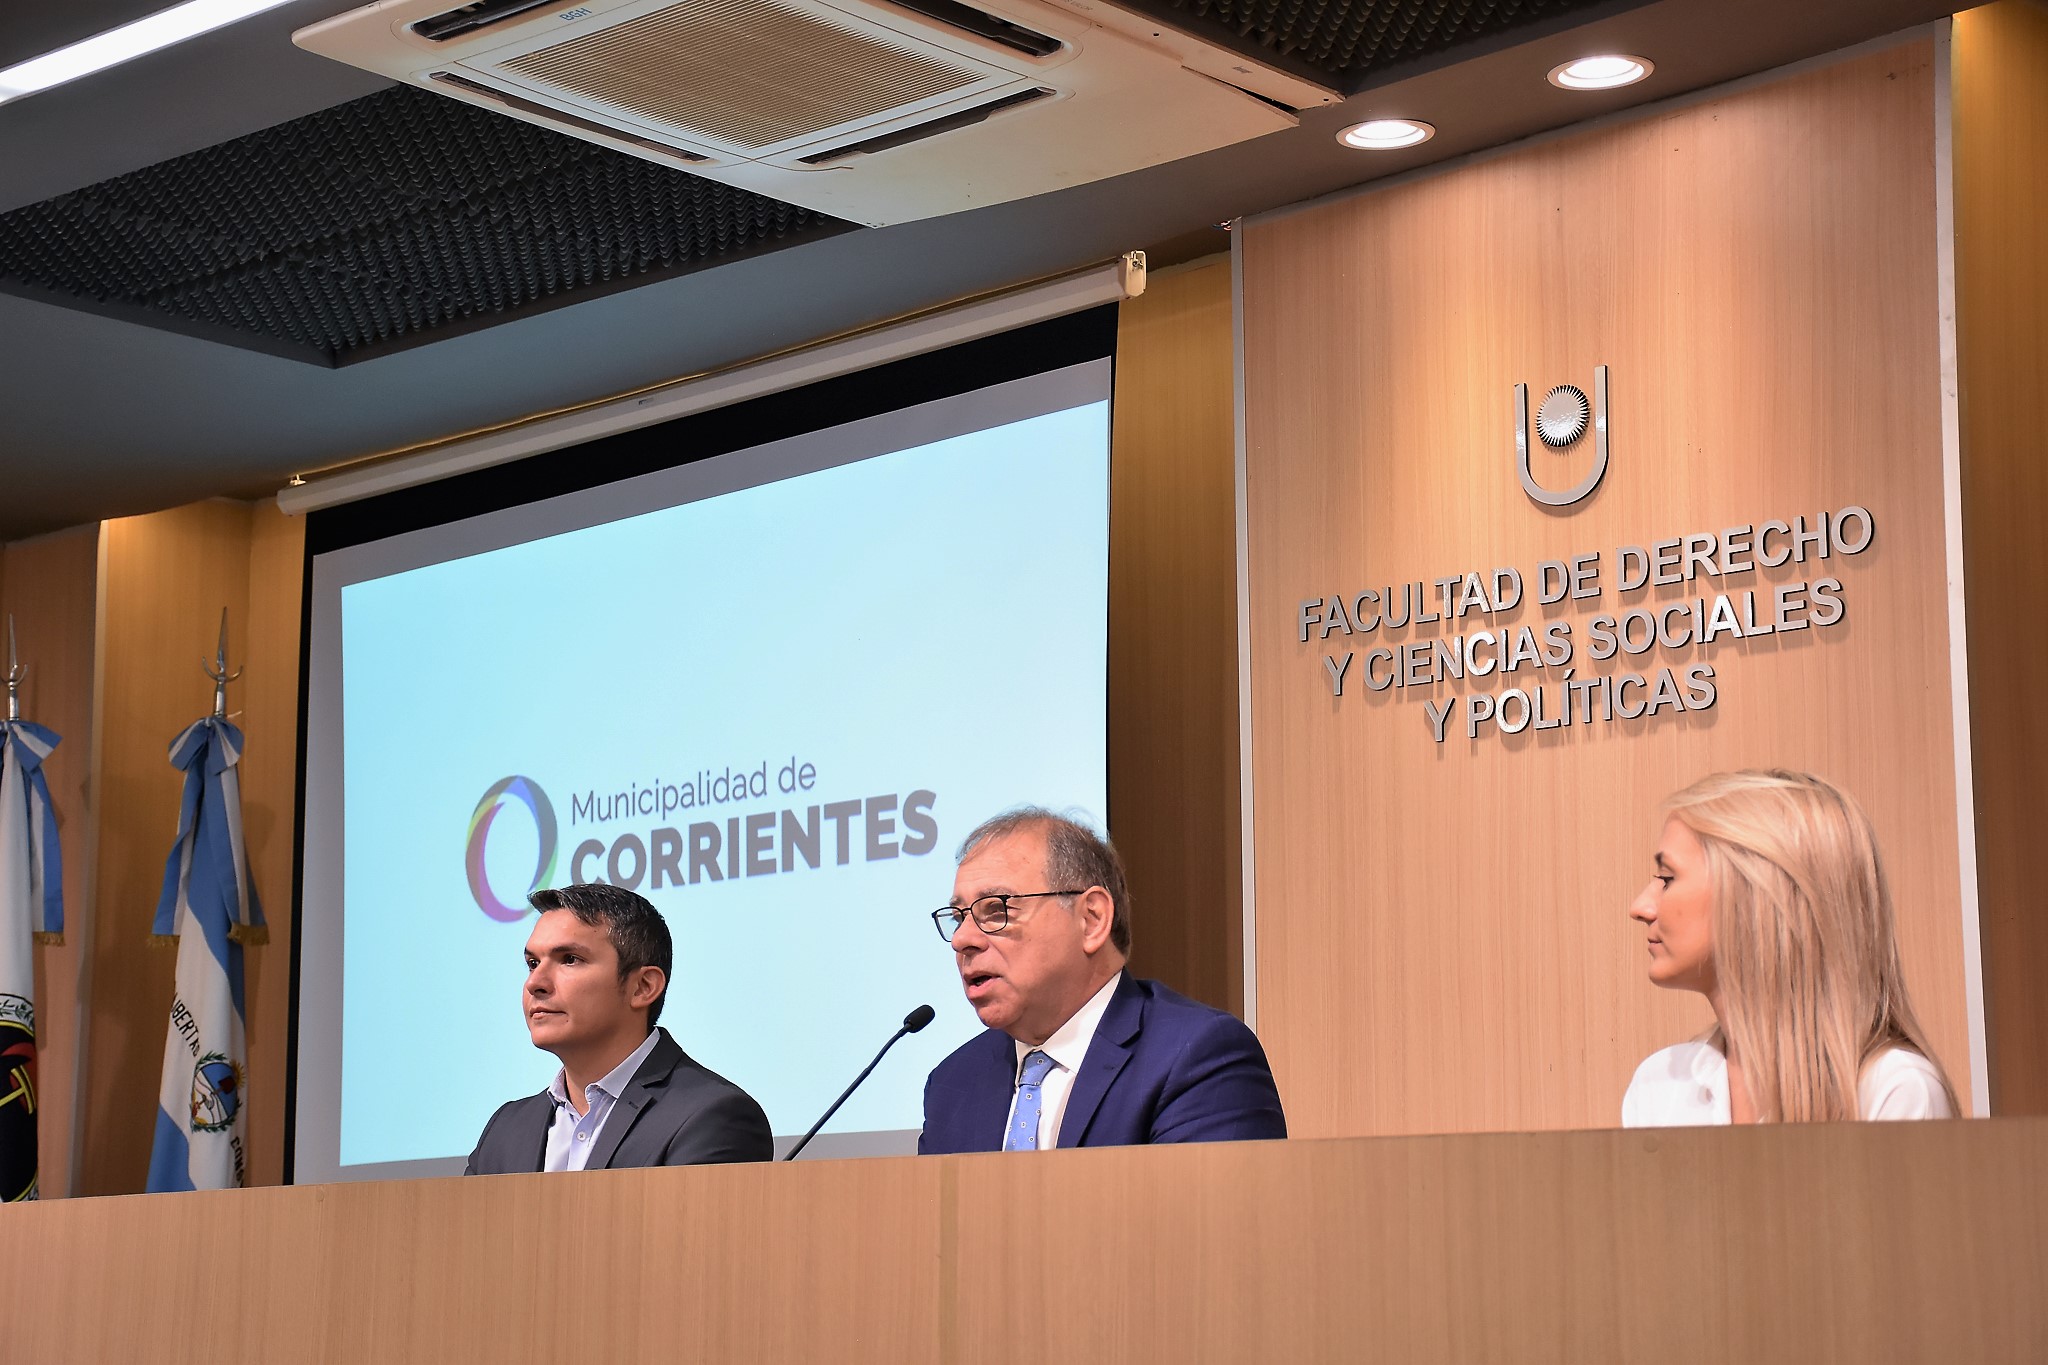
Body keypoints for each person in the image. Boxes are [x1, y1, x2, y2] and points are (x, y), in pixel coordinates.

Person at [919, 807, 1286, 1153]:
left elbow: (1207, 1202)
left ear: (1091, 919)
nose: (962, 939)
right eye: (958, 918)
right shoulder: (953, 1083)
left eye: (996, 909)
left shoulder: (1196, 1055)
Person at [1623, 769, 1959, 1125]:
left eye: (1666, 878)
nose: (1640, 907)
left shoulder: (1893, 1090)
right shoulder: (1660, 1086)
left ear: (1755, 898)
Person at [465, 882, 772, 1173]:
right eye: (533, 963)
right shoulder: (505, 1130)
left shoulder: (710, 1117)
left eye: (569, 959)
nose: (535, 983)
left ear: (643, 987)